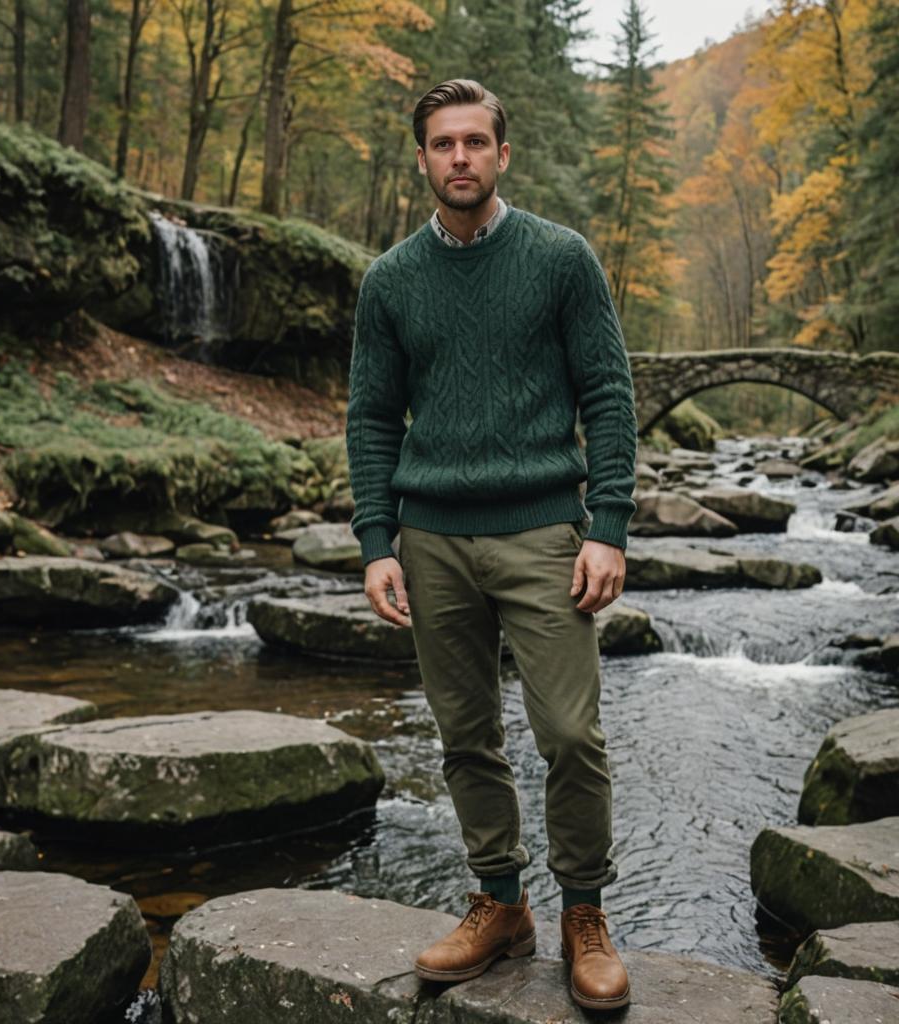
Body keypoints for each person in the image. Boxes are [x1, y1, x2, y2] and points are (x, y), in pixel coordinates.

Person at [344, 78, 638, 1012]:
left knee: (569, 734)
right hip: (429, 539)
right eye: (443, 144)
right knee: (467, 738)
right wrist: (375, 540)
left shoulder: (561, 258)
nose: (460, 157)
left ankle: (583, 914)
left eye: (476, 141)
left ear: (503, 154)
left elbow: (609, 394)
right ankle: (501, 903)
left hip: (544, 532)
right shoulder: (390, 280)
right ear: (422, 158)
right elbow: (372, 420)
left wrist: (610, 528)